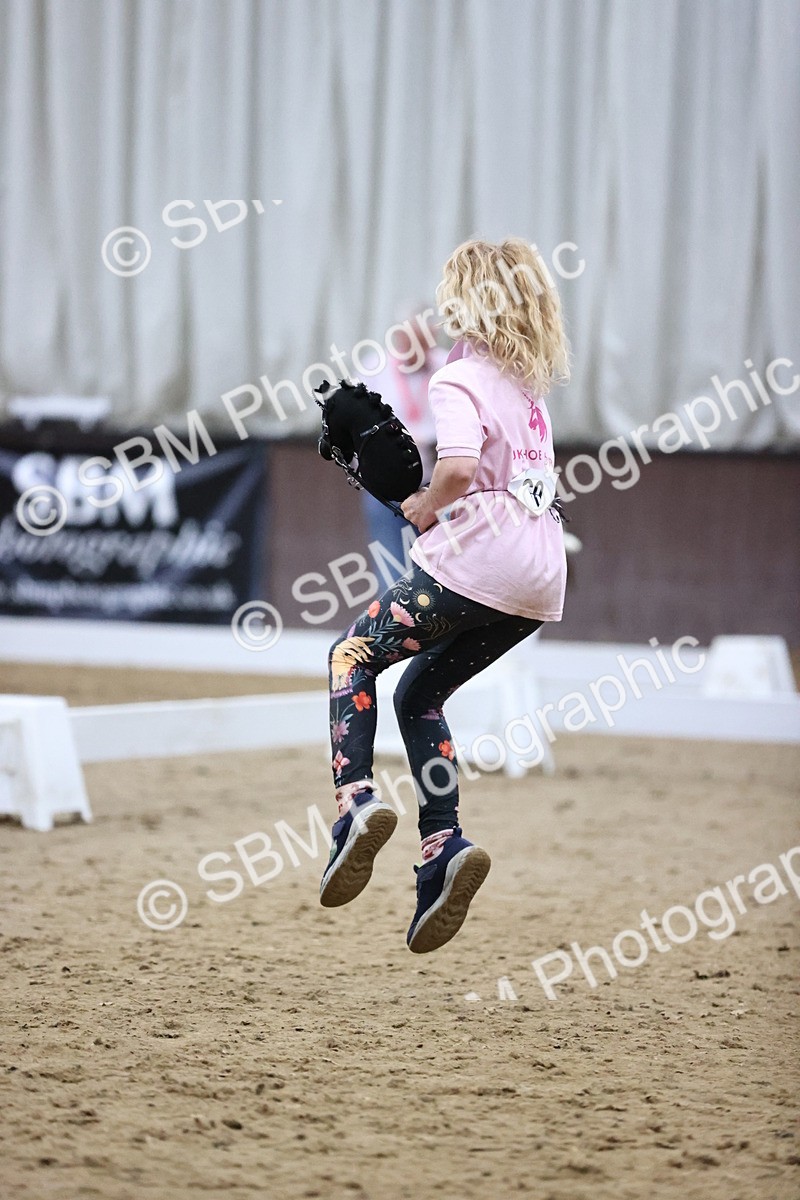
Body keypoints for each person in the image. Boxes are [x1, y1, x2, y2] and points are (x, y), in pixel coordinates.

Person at [320, 237, 570, 954]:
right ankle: (441, 847)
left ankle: (355, 805)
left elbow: (458, 469)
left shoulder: (457, 379)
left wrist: (424, 505)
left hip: (479, 559)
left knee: (351, 656)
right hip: (537, 575)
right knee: (418, 697)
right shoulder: (526, 387)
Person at [358, 308, 446, 571]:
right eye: (412, 340)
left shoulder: (447, 366)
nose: (418, 349)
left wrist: (428, 439)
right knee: (394, 575)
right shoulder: (374, 369)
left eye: (425, 341)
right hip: (386, 487)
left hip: (437, 485)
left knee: (439, 573)